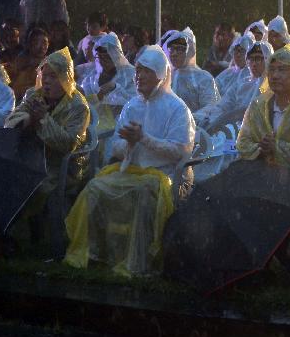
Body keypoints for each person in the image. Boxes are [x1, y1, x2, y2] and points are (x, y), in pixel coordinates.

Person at [65, 45, 195, 275]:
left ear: (159, 74)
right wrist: (131, 142)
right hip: (130, 171)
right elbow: (115, 145)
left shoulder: (177, 109)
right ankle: (94, 253)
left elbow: (181, 151)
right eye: (138, 70)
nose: (139, 76)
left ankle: (138, 261)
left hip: (163, 176)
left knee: (145, 193)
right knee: (94, 188)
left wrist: (144, 138)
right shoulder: (132, 106)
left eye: (146, 71)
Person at [5, 48, 90, 241]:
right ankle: (12, 235)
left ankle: (29, 235)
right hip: (30, 158)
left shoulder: (78, 106)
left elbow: (68, 143)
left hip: (61, 166)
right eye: (45, 75)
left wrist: (43, 120)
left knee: (32, 183)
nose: (47, 81)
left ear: (66, 77)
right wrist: (29, 120)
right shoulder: (34, 96)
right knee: (7, 175)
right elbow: (10, 121)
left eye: (54, 76)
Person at [197, 41, 273, 132]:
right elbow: (223, 105)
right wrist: (211, 121)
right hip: (233, 130)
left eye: (258, 59)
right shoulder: (242, 83)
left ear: (268, 59)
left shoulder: (273, 85)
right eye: (251, 59)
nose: (254, 63)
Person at [162, 28, 220, 114]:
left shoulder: (203, 78)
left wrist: (188, 120)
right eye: (171, 49)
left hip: (198, 126)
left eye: (179, 49)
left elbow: (211, 106)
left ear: (191, 51)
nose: (174, 54)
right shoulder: (166, 77)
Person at [80, 32, 137, 113]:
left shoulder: (131, 74)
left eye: (106, 58)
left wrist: (115, 88)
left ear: (116, 56)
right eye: (99, 57)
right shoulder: (91, 78)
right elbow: (84, 102)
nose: (102, 61)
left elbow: (135, 102)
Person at [12, 27, 50, 100]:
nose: (41, 46)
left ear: (48, 44)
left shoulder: (51, 63)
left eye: (44, 42)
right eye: (36, 42)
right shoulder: (20, 63)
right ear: (29, 44)